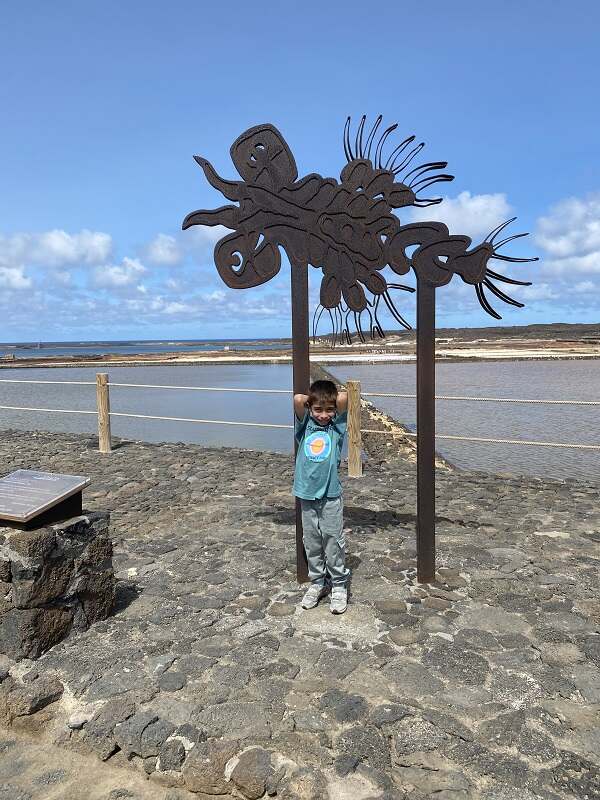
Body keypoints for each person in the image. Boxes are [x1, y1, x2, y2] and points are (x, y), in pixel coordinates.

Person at [293, 379, 350, 614]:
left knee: (332, 540)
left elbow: (345, 397)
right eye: (318, 409)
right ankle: (318, 582)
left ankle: (338, 585)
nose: (324, 415)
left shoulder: (335, 428)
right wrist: (311, 402)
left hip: (330, 495)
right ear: (310, 408)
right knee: (312, 541)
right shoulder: (305, 426)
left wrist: (327, 401)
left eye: (329, 410)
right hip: (306, 494)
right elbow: (297, 399)